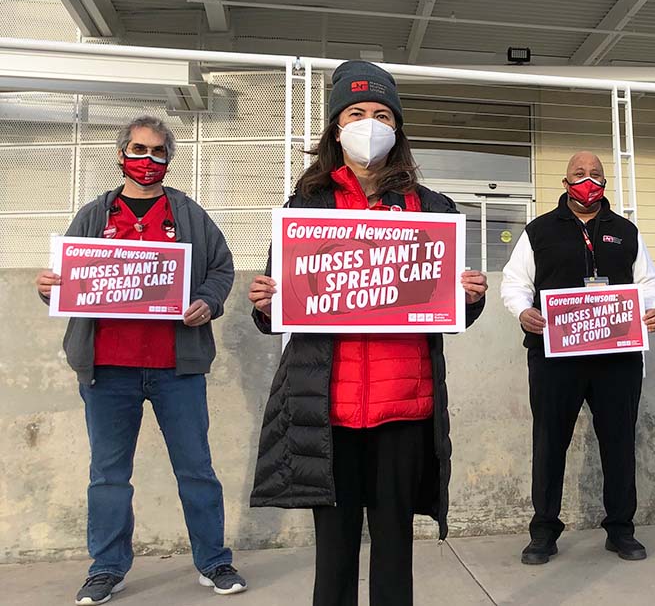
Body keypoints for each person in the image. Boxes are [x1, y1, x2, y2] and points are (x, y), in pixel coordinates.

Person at [246, 60, 487, 606]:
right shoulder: (306, 205)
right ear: (336, 126)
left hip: (403, 405)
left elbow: (447, 308)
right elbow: (280, 306)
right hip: (326, 408)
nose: (369, 124)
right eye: (356, 113)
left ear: (398, 128)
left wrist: (470, 298)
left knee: (394, 549)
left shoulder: (431, 208)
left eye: (382, 114)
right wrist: (265, 305)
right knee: (332, 554)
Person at [35, 116, 245, 605]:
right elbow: (66, 282)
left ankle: (214, 561)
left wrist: (208, 303)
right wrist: (48, 289)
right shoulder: (93, 215)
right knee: (109, 475)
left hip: (177, 366)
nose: (147, 160)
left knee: (196, 468)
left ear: (169, 160)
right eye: (138, 149)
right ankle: (106, 568)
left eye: (157, 152)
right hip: (107, 369)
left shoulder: (190, 215)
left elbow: (222, 267)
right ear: (120, 153)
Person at [500, 151, 655, 564]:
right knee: (550, 442)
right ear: (564, 182)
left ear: (605, 183)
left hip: (617, 358)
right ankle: (543, 532)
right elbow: (515, 283)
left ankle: (621, 530)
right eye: (579, 173)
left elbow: (648, 281)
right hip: (555, 358)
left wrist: (653, 307)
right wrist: (523, 312)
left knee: (619, 442)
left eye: (595, 174)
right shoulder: (538, 231)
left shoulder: (626, 231)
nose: (587, 180)